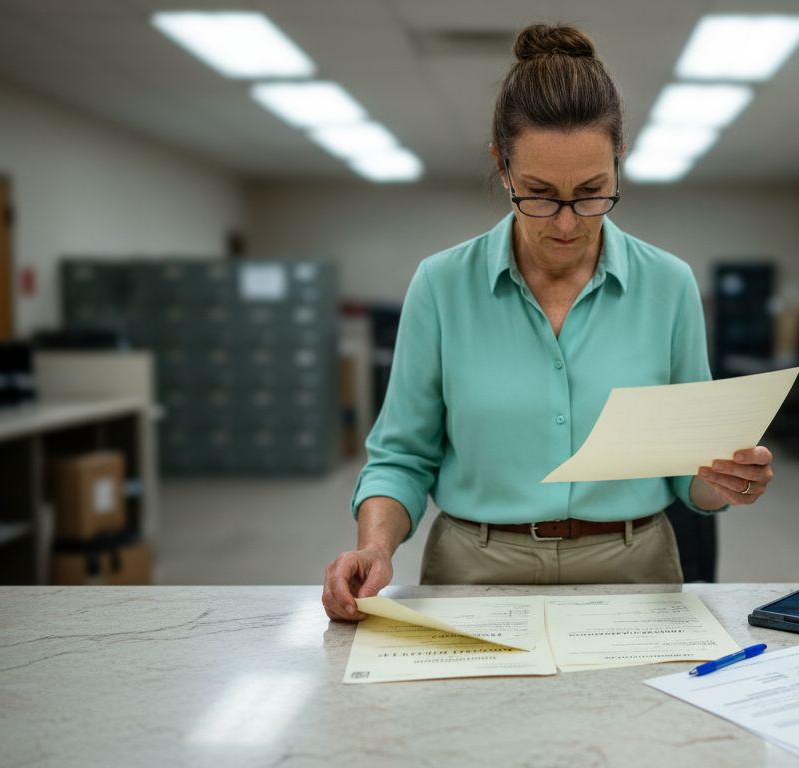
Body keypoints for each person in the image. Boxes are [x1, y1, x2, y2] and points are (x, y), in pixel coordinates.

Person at [322, 23, 775, 621]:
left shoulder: (669, 285)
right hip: (474, 567)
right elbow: (401, 456)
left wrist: (722, 481)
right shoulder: (441, 285)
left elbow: (688, 468)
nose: (566, 223)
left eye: (591, 192)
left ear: (620, 160)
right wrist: (374, 546)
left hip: (634, 567)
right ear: (501, 167)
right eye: (538, 193)